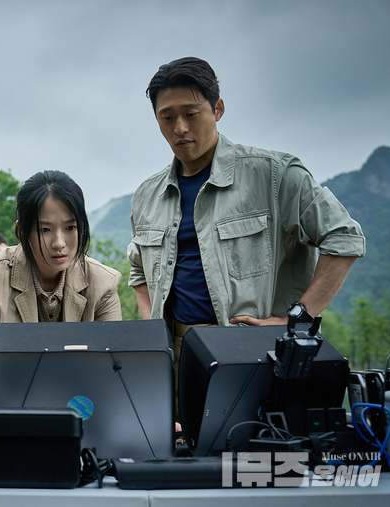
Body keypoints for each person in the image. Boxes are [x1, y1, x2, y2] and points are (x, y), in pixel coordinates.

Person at [127, 57, 365, 390]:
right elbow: (139, 269)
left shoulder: (274, 175)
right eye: (167, 117)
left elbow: (344, 238)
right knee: (178, 427)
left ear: (218, 109)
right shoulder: (147, 195)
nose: (179, 128)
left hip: (257, 352)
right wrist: (154, 331)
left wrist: (297, 320)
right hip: (174, 356)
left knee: (256, 427)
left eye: (191, 114)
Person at [0, 170, 123, 406]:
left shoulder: (103, 284)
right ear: (21, 231)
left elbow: (115, 379)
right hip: (8, 411)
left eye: (70, 227)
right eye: (44, 230)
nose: (59, 243)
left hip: (82, 413)